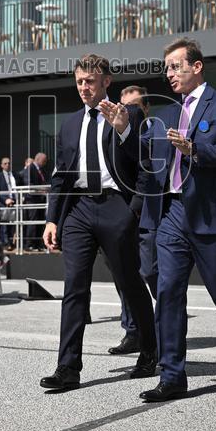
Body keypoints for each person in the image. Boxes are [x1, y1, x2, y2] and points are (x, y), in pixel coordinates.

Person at [137, 38, 216, 402]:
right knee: (168, 291)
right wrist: (124, 130)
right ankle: (173, 375)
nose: (169, 74)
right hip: (174, 212)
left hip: (213, 215)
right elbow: (149, 158)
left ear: (197, 67)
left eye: (175, 66)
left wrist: (195, 149)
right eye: (166, 69)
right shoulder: (165, 112)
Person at [38, 54, 157, 391]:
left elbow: (144, 161)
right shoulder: (70, 123)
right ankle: (68, 367)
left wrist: (123, 130)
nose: (84, 87)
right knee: (74, 286)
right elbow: (61, 175)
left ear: (106, 82)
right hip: (78, 210)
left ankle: (150, 349)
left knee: (129, 282)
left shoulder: (128, 113)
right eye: (79, 82)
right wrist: (52, 220)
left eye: (90, 81)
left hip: (116, 206)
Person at [107, 85, 158, 356]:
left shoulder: (156, 133)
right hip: (121, 216)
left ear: (146, 108)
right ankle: (132, 331)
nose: (127, 112)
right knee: (122, 275)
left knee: (150, 272)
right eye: (122, 107)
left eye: (134, 107)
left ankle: (163, 325)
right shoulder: (112, 134)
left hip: (150, 215)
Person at [23, 153, 49, 250]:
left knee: (40, 222)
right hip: (32, 200)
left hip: (41, 200)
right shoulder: (30, 169)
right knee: (33, 222)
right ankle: (30, 244)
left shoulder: (41, 170)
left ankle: (38, 244)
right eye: (44, 161)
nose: (45, 163)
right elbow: (29, 184)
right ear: (38, 159)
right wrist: (41, 190)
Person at [0, 156, 18, 249]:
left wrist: (15, 199)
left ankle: (11, 242)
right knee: (4, 225)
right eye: (5, 163)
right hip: (4, 204)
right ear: (2, 165)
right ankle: (6, 243)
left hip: (13, 202)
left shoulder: (14, 175)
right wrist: (5, 199)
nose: (8, 165)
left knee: (12, 225)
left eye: (9, 163)